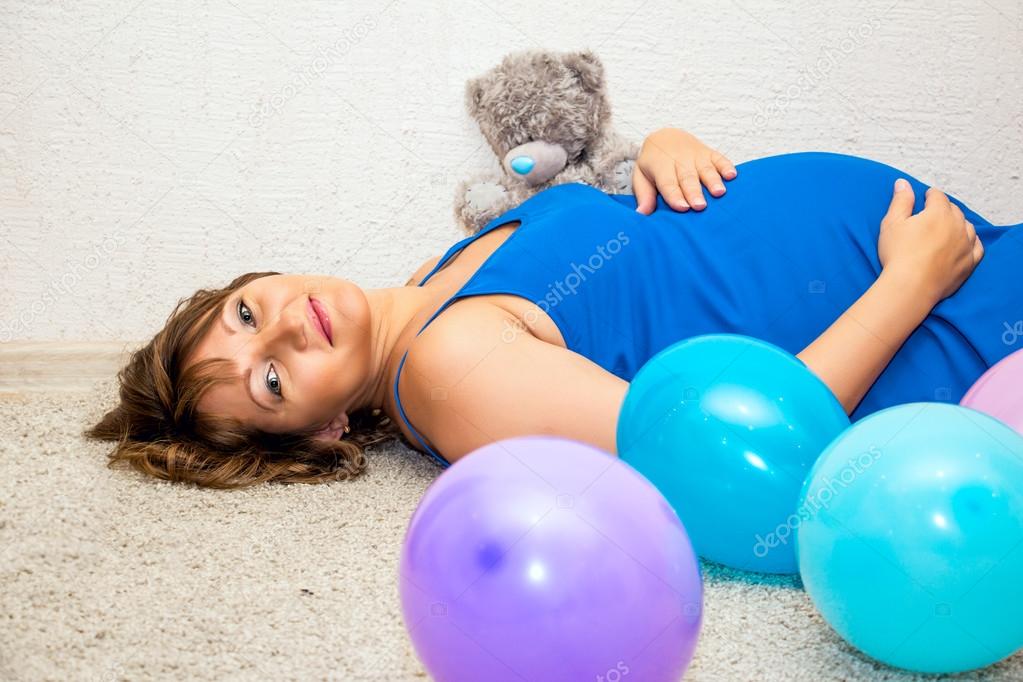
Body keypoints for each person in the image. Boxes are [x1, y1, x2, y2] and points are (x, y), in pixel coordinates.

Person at [86, 128, 1020, 488]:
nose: (286, 328)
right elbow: (734, 448)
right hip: (949, 335)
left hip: (945, 261)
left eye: (249, 318)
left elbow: (636, 270)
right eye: (273, 381)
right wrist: (910, 283)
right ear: (327, 430)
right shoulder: (449, 372)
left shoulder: (428, 283)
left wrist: (656, 149)